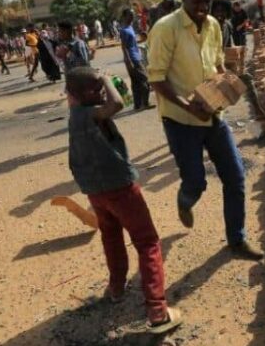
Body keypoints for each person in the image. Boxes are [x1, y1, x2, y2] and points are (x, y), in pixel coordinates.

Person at [147, 0, 264, 260]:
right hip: (180, 120)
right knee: (196, 182)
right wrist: (189, 106)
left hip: (213, 116)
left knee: (235, 177)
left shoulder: (214, 25)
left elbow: (218, 64)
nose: (202, 5)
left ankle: (236, 240)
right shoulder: (165, 29)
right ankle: (185, 199)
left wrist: (231, 82)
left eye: (207, 0)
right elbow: (157, 79)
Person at [64, 66, 182, 333]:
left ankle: (116, 289)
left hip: (95, 191)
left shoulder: (76, 114)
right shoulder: (89, 113)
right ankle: (157, 310)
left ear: (72, 95)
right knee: (148, 242)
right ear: (94, 93)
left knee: (111, 236)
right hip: (120, 188)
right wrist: (105, 78)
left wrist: (97, 86)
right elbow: (117, 103)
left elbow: (106, 102)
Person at [120, 8, 152, 111]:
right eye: (130, 15)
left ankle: (137, 105)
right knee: (145, 79)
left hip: (136, 56)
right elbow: (124, 47)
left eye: (133, 15)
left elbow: (131, 44)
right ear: (124, 16)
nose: (132, 17)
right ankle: (145, 103)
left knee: (136, 83)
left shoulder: (130, 27)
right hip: (133, 59)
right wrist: (128, 60)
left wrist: (141, 41)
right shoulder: (124, 30)